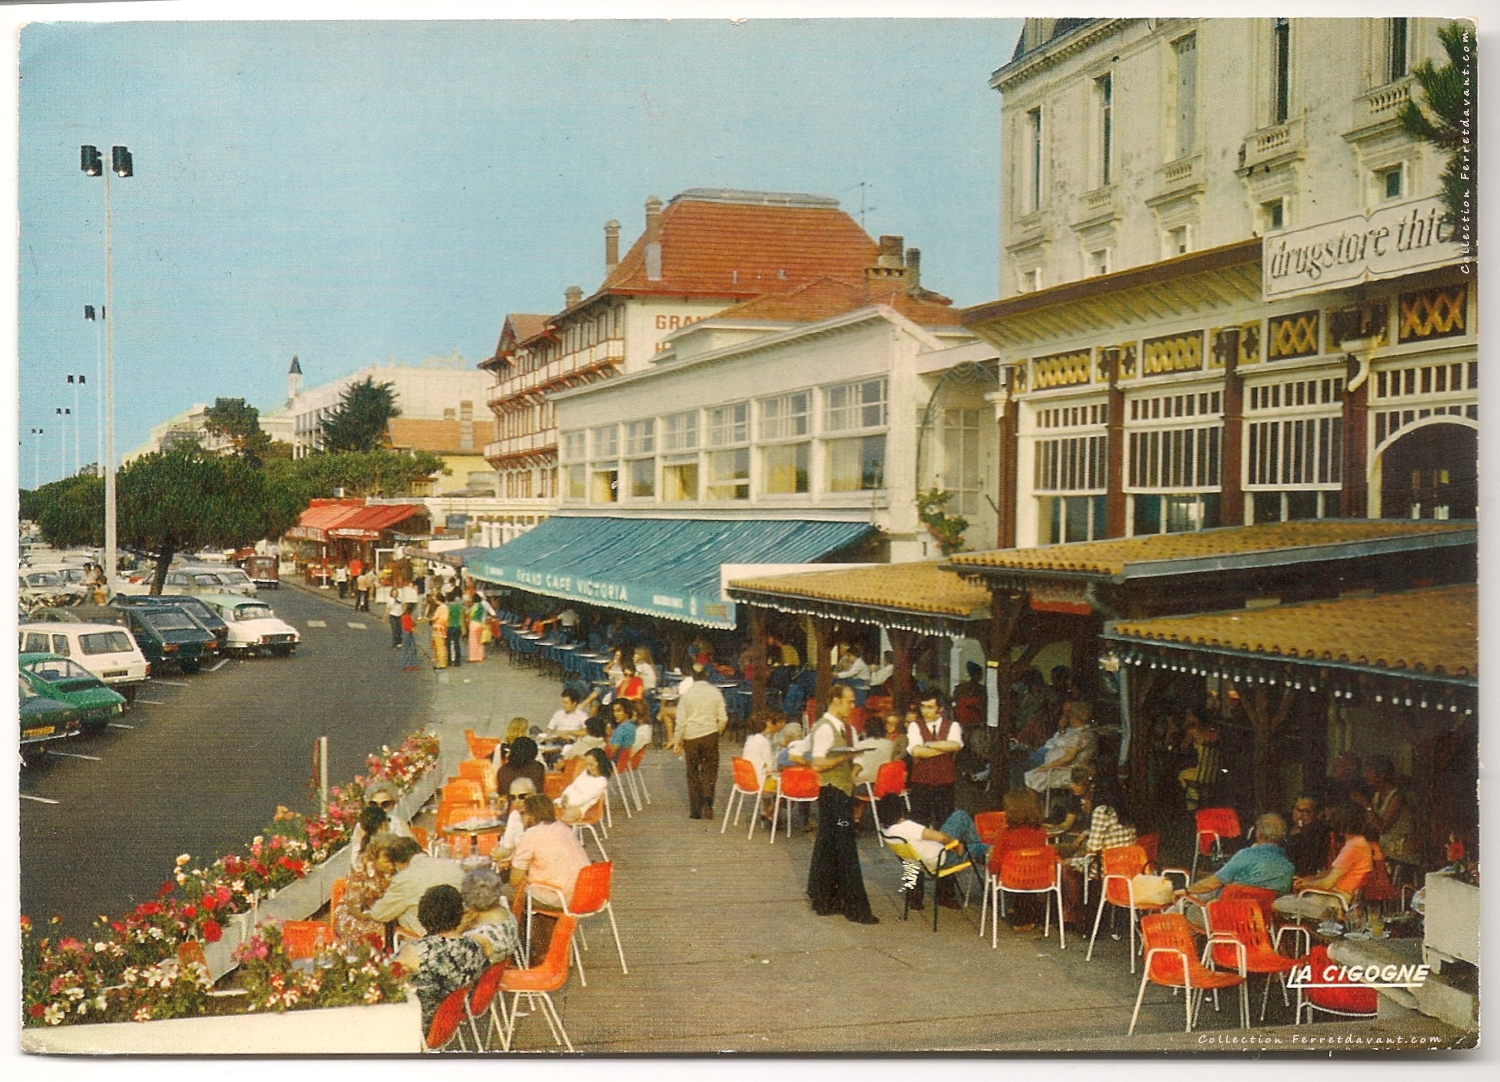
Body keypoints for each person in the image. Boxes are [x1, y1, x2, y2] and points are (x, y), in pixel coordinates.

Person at [806, 684, 878, 924]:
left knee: (831, 843)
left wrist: (853, 769)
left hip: (843, 791)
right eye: (849, 701)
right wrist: (843, 758)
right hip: (832, 794)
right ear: (835, 700)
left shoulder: (848, 729)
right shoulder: (824, 729)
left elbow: (858, 757)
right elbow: (817, 763)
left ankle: (827, 899)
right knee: (843, 845)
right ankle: (854, 907)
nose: (852, 706)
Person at [395, 884, 489, 1030]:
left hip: (415, 1025)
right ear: (459, 914)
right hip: (448, 1025)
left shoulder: (417, 951)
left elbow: (385, 981)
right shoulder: (475, 947)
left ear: (423, 915)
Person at [1272, 803, 1375, 922]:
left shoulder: (1353, 847)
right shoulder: (1358, 842)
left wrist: (1305, 885)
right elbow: (1331, 872)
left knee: (1275, 903)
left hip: (1334, 901)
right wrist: (1309, 880)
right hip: (1335, 897)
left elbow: (1327, 883)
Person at [509, 793, 592, 922]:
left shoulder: (531, 835)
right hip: (584, 892)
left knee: (506, 893)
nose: (521, 819)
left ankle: (526, 938)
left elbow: (514, 880)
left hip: (560, 897)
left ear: (531, 815)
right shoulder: (562, 827)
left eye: (523, 814)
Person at [1181, 812, 1295, 903]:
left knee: (1183, 906)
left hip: (1223, 917)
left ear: (1258, 833)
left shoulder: (1247, 855)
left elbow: (1214, 882)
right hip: (1256, 922)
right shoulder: (1288, 867)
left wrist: (1186, 891)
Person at [366, 837, 465, 938]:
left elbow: (379, 914)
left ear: (398, 863)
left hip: (425, 936)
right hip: (461, 928)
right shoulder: (450, 864)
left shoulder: (404, 878)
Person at [669, 661, 728, 820]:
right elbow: (723, 718)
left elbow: (681, 721)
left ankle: (695, 810)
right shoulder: (715, 693)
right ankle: (708, 801)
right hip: (710, 734)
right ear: (706, 675)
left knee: (693, 772)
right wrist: (717, 731)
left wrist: (677, 741)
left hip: (691, 736)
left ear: (692, 677)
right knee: (710, 769)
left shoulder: (687, 695)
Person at [332, 813, 397, 950]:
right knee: (379, 931)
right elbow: (354, 907)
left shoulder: (395, 867)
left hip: (386, 915)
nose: (391, 864)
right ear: (374, 858)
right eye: (386, 861)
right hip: (360, 915)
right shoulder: (360, 867)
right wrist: (379, 915)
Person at [992, 788, 1050, 930]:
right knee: (1027, 868)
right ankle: (1026, 916)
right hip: (1038, 878)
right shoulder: (1041, 832)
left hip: (1012, 879)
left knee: (1015, 872)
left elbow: (995, 864)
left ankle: (1019, 915)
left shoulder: (1005, 834)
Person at [907, 693, 963, 827]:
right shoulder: (915, 725)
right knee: (919, 824)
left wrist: (928, 744)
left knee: (945, 822)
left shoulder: (953, 725)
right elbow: (916, 751)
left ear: (940, 709)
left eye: (930, 707)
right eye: (923, 707)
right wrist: (944, 748)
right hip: (921, 782)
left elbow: (955, 745)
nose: (925, 711)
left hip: (945, 782)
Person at [1024, 696, 1095, 796]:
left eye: (1070, 715)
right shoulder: (1077, 731)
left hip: (1067, 771)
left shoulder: (1080, 735)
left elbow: (1067, 758)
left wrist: (1047, 767)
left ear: (1074, 717)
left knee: (1032, 776)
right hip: (1058, 766)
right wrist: (1061, 728)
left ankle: (1033, 807)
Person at [1354, 754, 1416, 866]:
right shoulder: (1377, 796)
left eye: (1369, 771)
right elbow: (1372, 824)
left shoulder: (1397, 797)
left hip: (1400, 855)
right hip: (1384, 853)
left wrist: (1366, 805)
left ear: (1382, 774)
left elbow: (1382, 827)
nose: (1365, 775)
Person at [458, 866, 522, 966]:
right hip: (494, 976)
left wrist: (458, 930)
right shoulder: (506, 914)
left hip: (479, 979)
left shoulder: (476, 937)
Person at [1285, 794, 1336, 876]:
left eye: (1307, 812)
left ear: (1317, 814)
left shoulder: (1320, 835)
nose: (1300, 815)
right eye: (1298, 810)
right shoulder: (1285, 827)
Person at [557, 749, 611, 822]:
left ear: (600, 763)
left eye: (591, 765)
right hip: (567, 801)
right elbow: (573, 786)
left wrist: (567, 801)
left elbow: (583, 799)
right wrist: (565, 795)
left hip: (580, 808)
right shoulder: (585, 773)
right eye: (586, 765)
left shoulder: (601, 782)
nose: (588, 768)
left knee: (559, 817)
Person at [495, 736, 546, 800]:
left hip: (510, 806)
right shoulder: (538, 768)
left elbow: (501, 794)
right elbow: (539, 792)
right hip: (532, 806)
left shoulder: (503, 770)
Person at [429, 593, 449, 670]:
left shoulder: (440, 608)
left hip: (438, 628)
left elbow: (434, 617)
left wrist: (430, 619)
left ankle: (441, 663)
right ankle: (444, 661)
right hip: (443, 628)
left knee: (439, 646)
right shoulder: (445, 607)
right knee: (443, 646)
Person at [446, 592, 465, 668]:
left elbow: (447, 616)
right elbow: (461, 615)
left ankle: (449, 661)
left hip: (450, 625)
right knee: (457, 643)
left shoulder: (448, 607)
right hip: (458, 625)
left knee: (448, 644)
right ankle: (457, 661)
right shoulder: (459, 606)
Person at [399, 603, 420, 670]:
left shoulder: (407, 615)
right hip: (406, 633)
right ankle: (406, 665)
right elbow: (407, 626)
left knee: (413, 648)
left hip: (409, 633)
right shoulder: (406, 615)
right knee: (406, 649)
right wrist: (414, 630)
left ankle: (413, 664)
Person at [466, 592, 486, 663]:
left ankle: (473, 657)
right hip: (480, 623)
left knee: (473, 640)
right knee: (479, 640)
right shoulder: (481, 606)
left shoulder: (475, 606)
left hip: (474, 623)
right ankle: (480, 656)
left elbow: (471, 614)